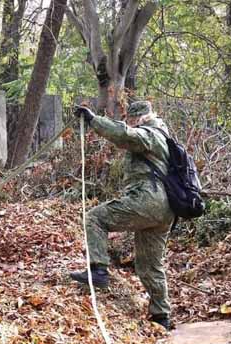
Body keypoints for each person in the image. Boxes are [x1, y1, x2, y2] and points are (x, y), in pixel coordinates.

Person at [70, 101, 175, 330]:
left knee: (95, 218)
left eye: (130, 119)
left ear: (139, 118)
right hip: (165, 210)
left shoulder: (150, 134)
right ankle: (161, 316)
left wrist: (93, 120)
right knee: (150, 265)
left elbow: (126, 135)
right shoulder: (164, 136)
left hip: (148, 201)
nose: (129, 123)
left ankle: (98, 270)